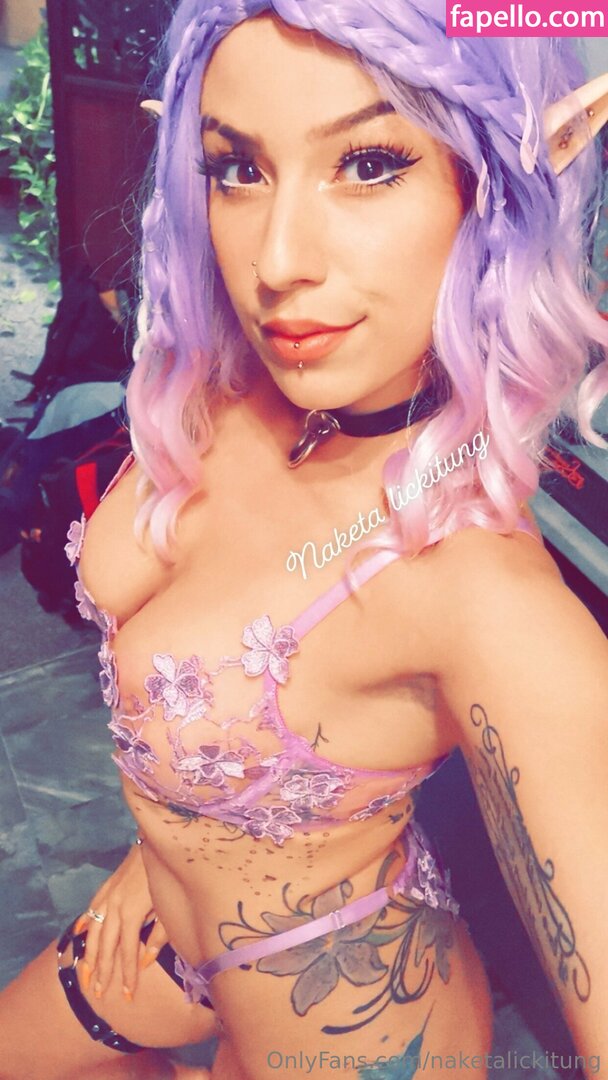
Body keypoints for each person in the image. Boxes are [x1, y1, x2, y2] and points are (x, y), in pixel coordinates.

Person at [1, 2, 607, 1077]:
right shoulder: (234, 386)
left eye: (368, 164)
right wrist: (176, 836)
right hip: (158, 940)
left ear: (493, 188)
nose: (276, 261)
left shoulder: (488, 598)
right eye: (236, 169)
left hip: (351, 1025)